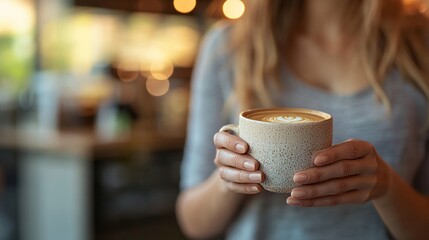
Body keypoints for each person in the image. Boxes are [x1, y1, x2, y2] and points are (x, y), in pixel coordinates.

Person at [176, 0, 429, 239]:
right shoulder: (227, 47)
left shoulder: (420, 47)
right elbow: (193, 222)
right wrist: (228, 182)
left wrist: (386, 188)